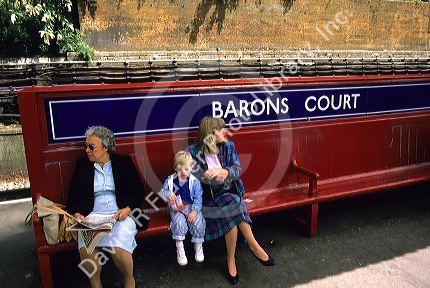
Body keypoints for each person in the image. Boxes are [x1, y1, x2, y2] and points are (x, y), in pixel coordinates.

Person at [188, 117, 274, 285]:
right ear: (210, 134)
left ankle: (231, 260)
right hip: (208, 201)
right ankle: (253, 246)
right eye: (221, 129)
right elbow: (186, 177)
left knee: (232, 203)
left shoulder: (228, 146)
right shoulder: (192, 152)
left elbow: (237, 168)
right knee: (234, 204)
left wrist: (225, 172)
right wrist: (203, 176)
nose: (225, 131)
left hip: (229, 193)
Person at [67, 126, 146, 288]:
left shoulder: (123, 162)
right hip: (91, 216)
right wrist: (77, 214)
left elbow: (137, 190)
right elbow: (73, 196)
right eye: (86, 146)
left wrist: (128, 208)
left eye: (91, 146)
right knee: (88, 254)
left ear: (105, 146)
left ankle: (129, 280)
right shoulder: (82, 165)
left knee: (119, 250)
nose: (87, 150)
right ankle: (96, 285)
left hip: (119, 215)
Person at [161, 151, 206, 266]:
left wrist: (195, 211)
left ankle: (198, 245)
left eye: (186, 169)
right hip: (176, 208)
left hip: (191, 207)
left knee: (197, 222)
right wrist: (167, 195)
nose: (183, 172)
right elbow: (163, 191)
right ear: (175, 168)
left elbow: (198, 198)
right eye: (180, 169)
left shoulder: (194, 182)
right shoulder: (170, 180)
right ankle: (180, 248)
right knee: (178, 222)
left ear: (191, 167)